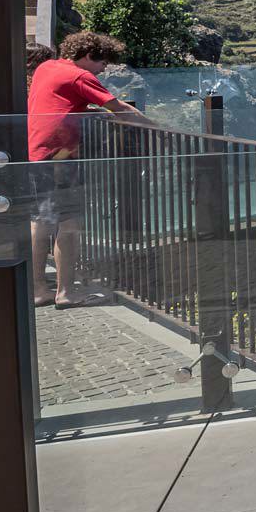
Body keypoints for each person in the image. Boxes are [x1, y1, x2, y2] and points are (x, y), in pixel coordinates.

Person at [27, 32, 154, 307]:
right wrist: (160, 130)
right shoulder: (80, 76)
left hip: (38, 152)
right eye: (103, 63)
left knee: (41, 219)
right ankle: (66, 292)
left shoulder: (46, 67)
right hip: (61, 156)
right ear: (88, 56)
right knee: (70, 223)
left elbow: (65, 103)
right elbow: (119, 108)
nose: (103, 69)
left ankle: (37, 289)